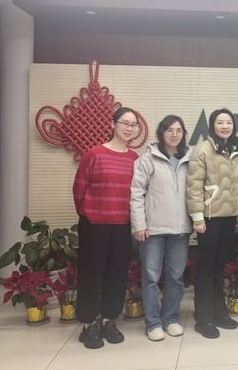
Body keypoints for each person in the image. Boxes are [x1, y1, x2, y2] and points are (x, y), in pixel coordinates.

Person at [73, 107, 140, 349]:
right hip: (95, 225)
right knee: (91, 274)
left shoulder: (135, 159)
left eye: (133, 125)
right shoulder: (94, 154)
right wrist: (89, 213)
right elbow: (79, 189)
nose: (129, 128)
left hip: (122, 226)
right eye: (124, 123)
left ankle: (109, 320)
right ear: (113, 124)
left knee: (117, 275)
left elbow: (137, 194)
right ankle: (88, 324)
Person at [130, 115, 193, 341]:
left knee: (175, 277)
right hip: (152, 230)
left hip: (180, 230)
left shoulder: (190, 158)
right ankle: (153, 323)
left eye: (179, 130)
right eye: (169, 130)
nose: (174, 134)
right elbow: (136, 193)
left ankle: (170, 319)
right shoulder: (147, 159)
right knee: (150, 277)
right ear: (161, 132)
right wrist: (139, 224)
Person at [187, 109, 238, 339]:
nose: (225, 126)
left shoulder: (236, 148)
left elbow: (237, 184)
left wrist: (237, 211)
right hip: (209, 218)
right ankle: (203, 319)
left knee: (219, 268)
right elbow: (194, 185)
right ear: (212, 126)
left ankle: (219, 313)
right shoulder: (203, 149)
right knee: (205, 269)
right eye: (220, 122)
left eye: (228, 122)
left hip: (229, 217)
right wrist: (197, 217)